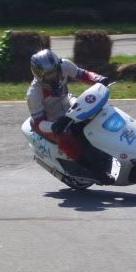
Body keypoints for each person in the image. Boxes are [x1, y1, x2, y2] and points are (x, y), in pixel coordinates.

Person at [26, 48, 115, 184]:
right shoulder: (34, 94)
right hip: (52, 120)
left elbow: (83, 74)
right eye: (49, 74)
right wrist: (54, 125)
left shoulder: (65, 65)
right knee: (64, 138)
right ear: (40, 75)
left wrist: (98, 79)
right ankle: (94, 171)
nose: (55, 75)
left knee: (99, 113)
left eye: (56, 70)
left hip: (69, 105)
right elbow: (38, 122)